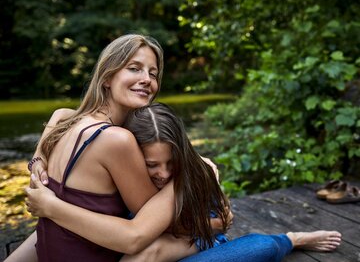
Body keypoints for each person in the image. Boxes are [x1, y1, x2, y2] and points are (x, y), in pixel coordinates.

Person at [9, 103, 342, 262]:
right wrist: (38, 157)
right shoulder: (117, 152)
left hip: (184, 233)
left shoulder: (181, 177)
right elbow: (64, 115)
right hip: (170, 234)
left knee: (260, 246)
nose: (163, 172)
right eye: (151, 164)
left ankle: (292, 238)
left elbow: (151, 245)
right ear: (130, 156)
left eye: (171, 162)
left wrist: (212, 221)